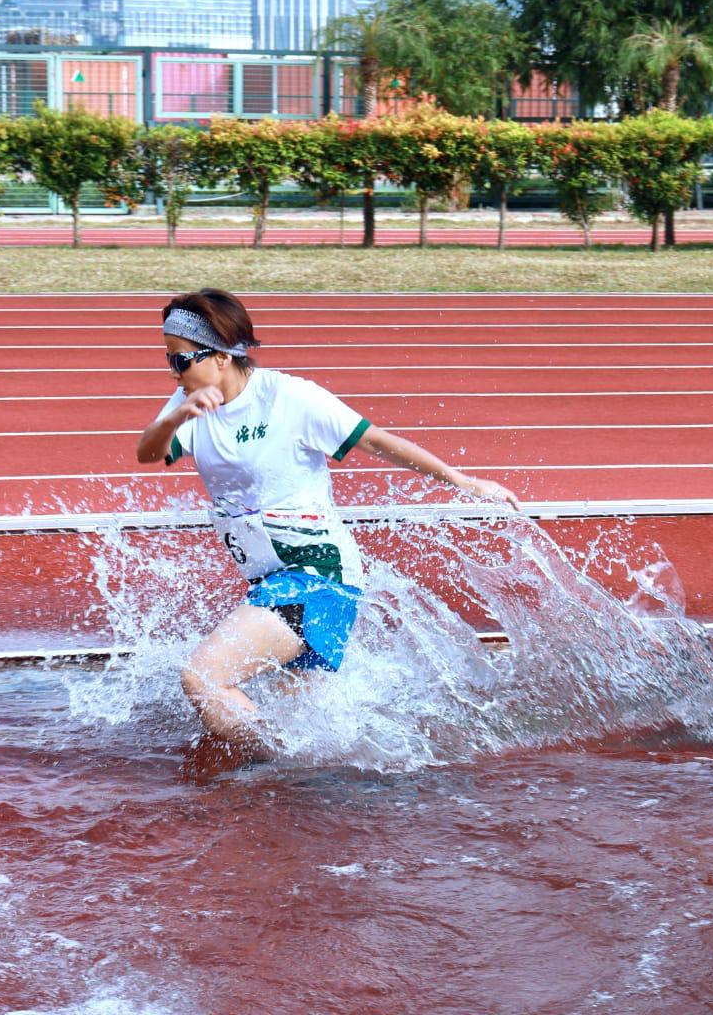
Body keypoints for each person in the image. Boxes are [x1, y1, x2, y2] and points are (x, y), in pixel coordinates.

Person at [136, 289, 520, 754]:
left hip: (318, 575)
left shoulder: (289, 398)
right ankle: (311, 779)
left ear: (220, 356)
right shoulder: (187, 402)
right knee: (304, 734)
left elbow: (375, 441)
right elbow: (149, 453)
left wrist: (464, 482)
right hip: (269, 579)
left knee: (204, 677)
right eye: (168, 359)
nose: (173, 371)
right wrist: (176, 417)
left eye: (181, 360)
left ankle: (272, 772)